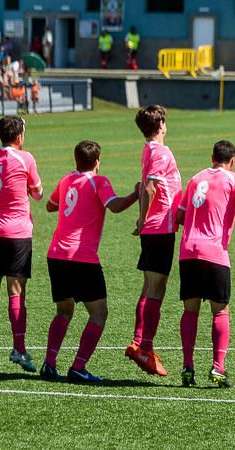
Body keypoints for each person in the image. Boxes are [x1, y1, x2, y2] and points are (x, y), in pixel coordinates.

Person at [42, 140, 139, 382]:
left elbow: (50, 206)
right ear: (97, 161)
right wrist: (136, 195)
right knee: (99, 313)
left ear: (76, 160)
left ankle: (49, 364)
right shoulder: (99, 181)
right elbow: (114, 206)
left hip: (56, 254)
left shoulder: (66, 180)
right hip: (81, 257)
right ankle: (78, 367)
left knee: (64, 311)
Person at [177, 140, 235, 388]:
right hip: (215, 253)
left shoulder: (194, 179)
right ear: (232, 161)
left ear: (211, 157)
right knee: (220, 310)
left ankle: (187, 367)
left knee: (190, 310)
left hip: (188, 251)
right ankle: (218, 368)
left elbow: (180, 215)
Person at [0, 116, 43, 372]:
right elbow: (38, 193)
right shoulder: (25, 158)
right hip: (17, 234)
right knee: (16, 292)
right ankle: (19, 349)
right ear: (19, 137)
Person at [125, 105, 182, 376]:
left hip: (155, 227)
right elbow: (149, 187)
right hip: (160, 227)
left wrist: (143, 219)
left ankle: (138, 342)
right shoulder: (160, 151)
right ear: (160, 125)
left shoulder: (148, 149)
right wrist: (143, 218)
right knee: (156, 288)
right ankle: (145, 349)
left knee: (149, 286)